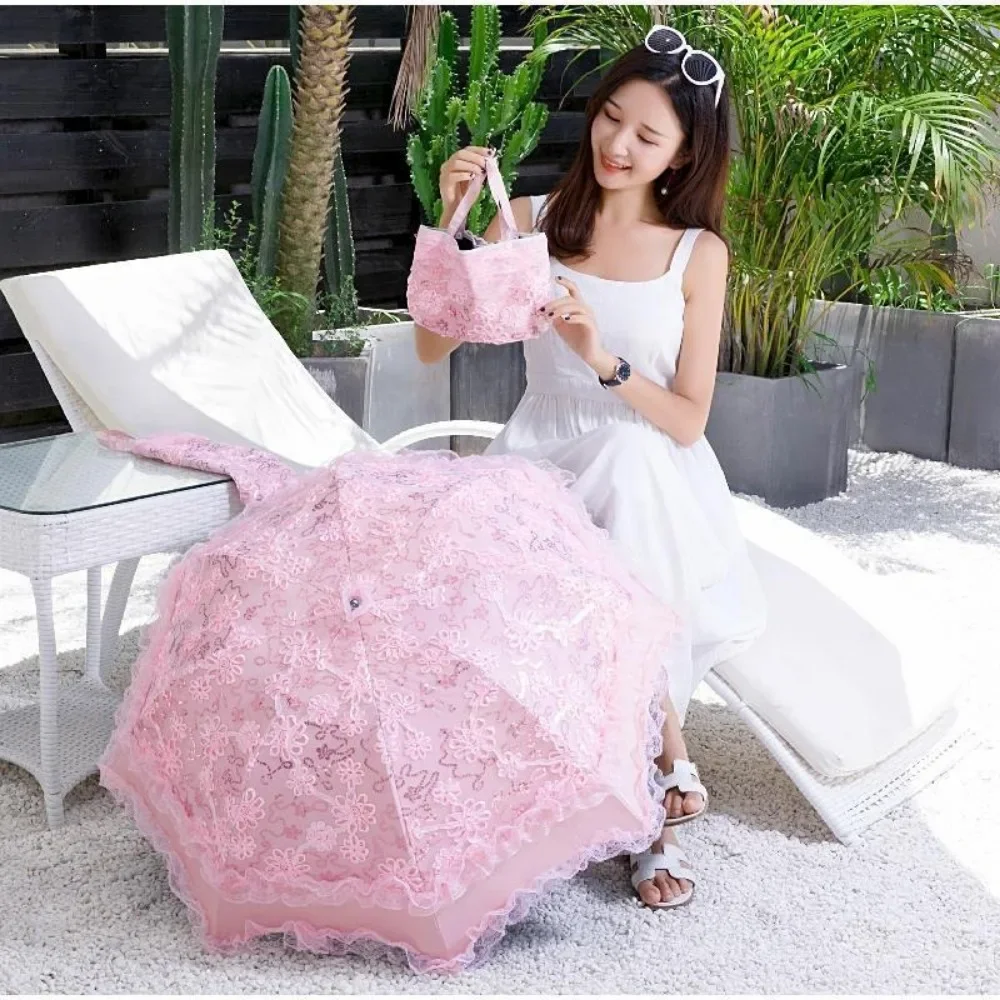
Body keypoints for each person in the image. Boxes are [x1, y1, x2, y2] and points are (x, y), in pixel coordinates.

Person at [414, 28, 767, 909]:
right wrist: (452, 218)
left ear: (685, 154)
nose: (617, 146)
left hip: (648, 462)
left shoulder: (698, 255)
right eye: (612, 119)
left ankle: (657, 774)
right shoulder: (530, 219)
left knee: (627, 463)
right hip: (538, 461)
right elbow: (431, 343)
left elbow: (687, 421)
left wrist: (601, 357)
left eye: (648, 138)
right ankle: (664, 777)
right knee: (599, 490)